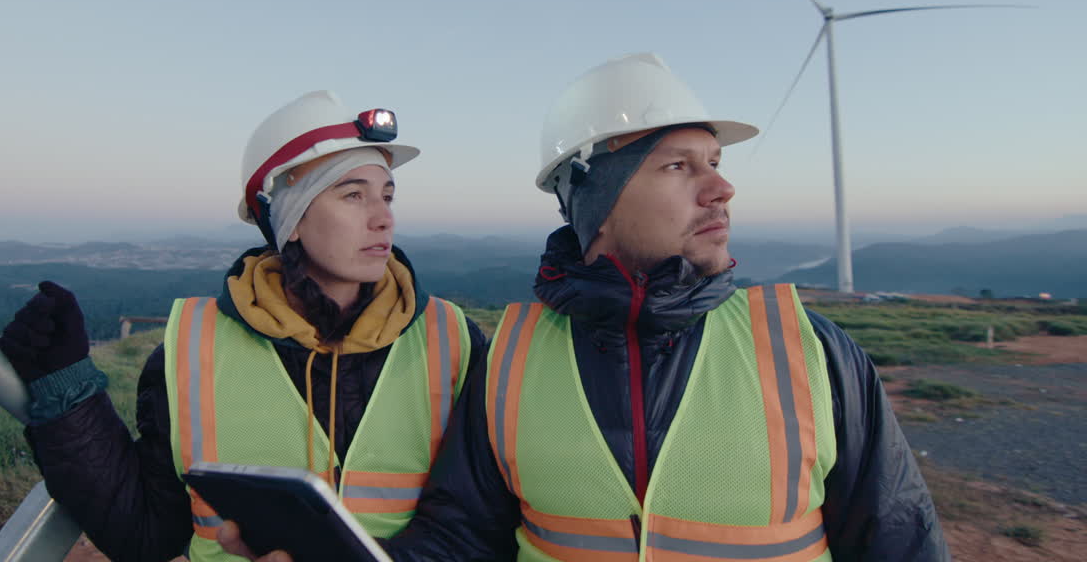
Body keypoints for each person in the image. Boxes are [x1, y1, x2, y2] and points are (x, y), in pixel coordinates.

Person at [379, 53, 949, 561]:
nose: (721, 189)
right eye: (679, 166)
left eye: (716, 162)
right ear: (594, 201)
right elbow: (462, 538)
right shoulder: (509, 361)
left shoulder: (811, 351)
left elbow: (898, 536)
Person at [0, 90, 487, 562]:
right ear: (288, 220)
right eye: (353, 195)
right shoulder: (193, 347)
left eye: (387, 194)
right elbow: (145, 534)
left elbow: (477, 526)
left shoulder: (454, 341)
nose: (384, 219)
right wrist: (67, 394)